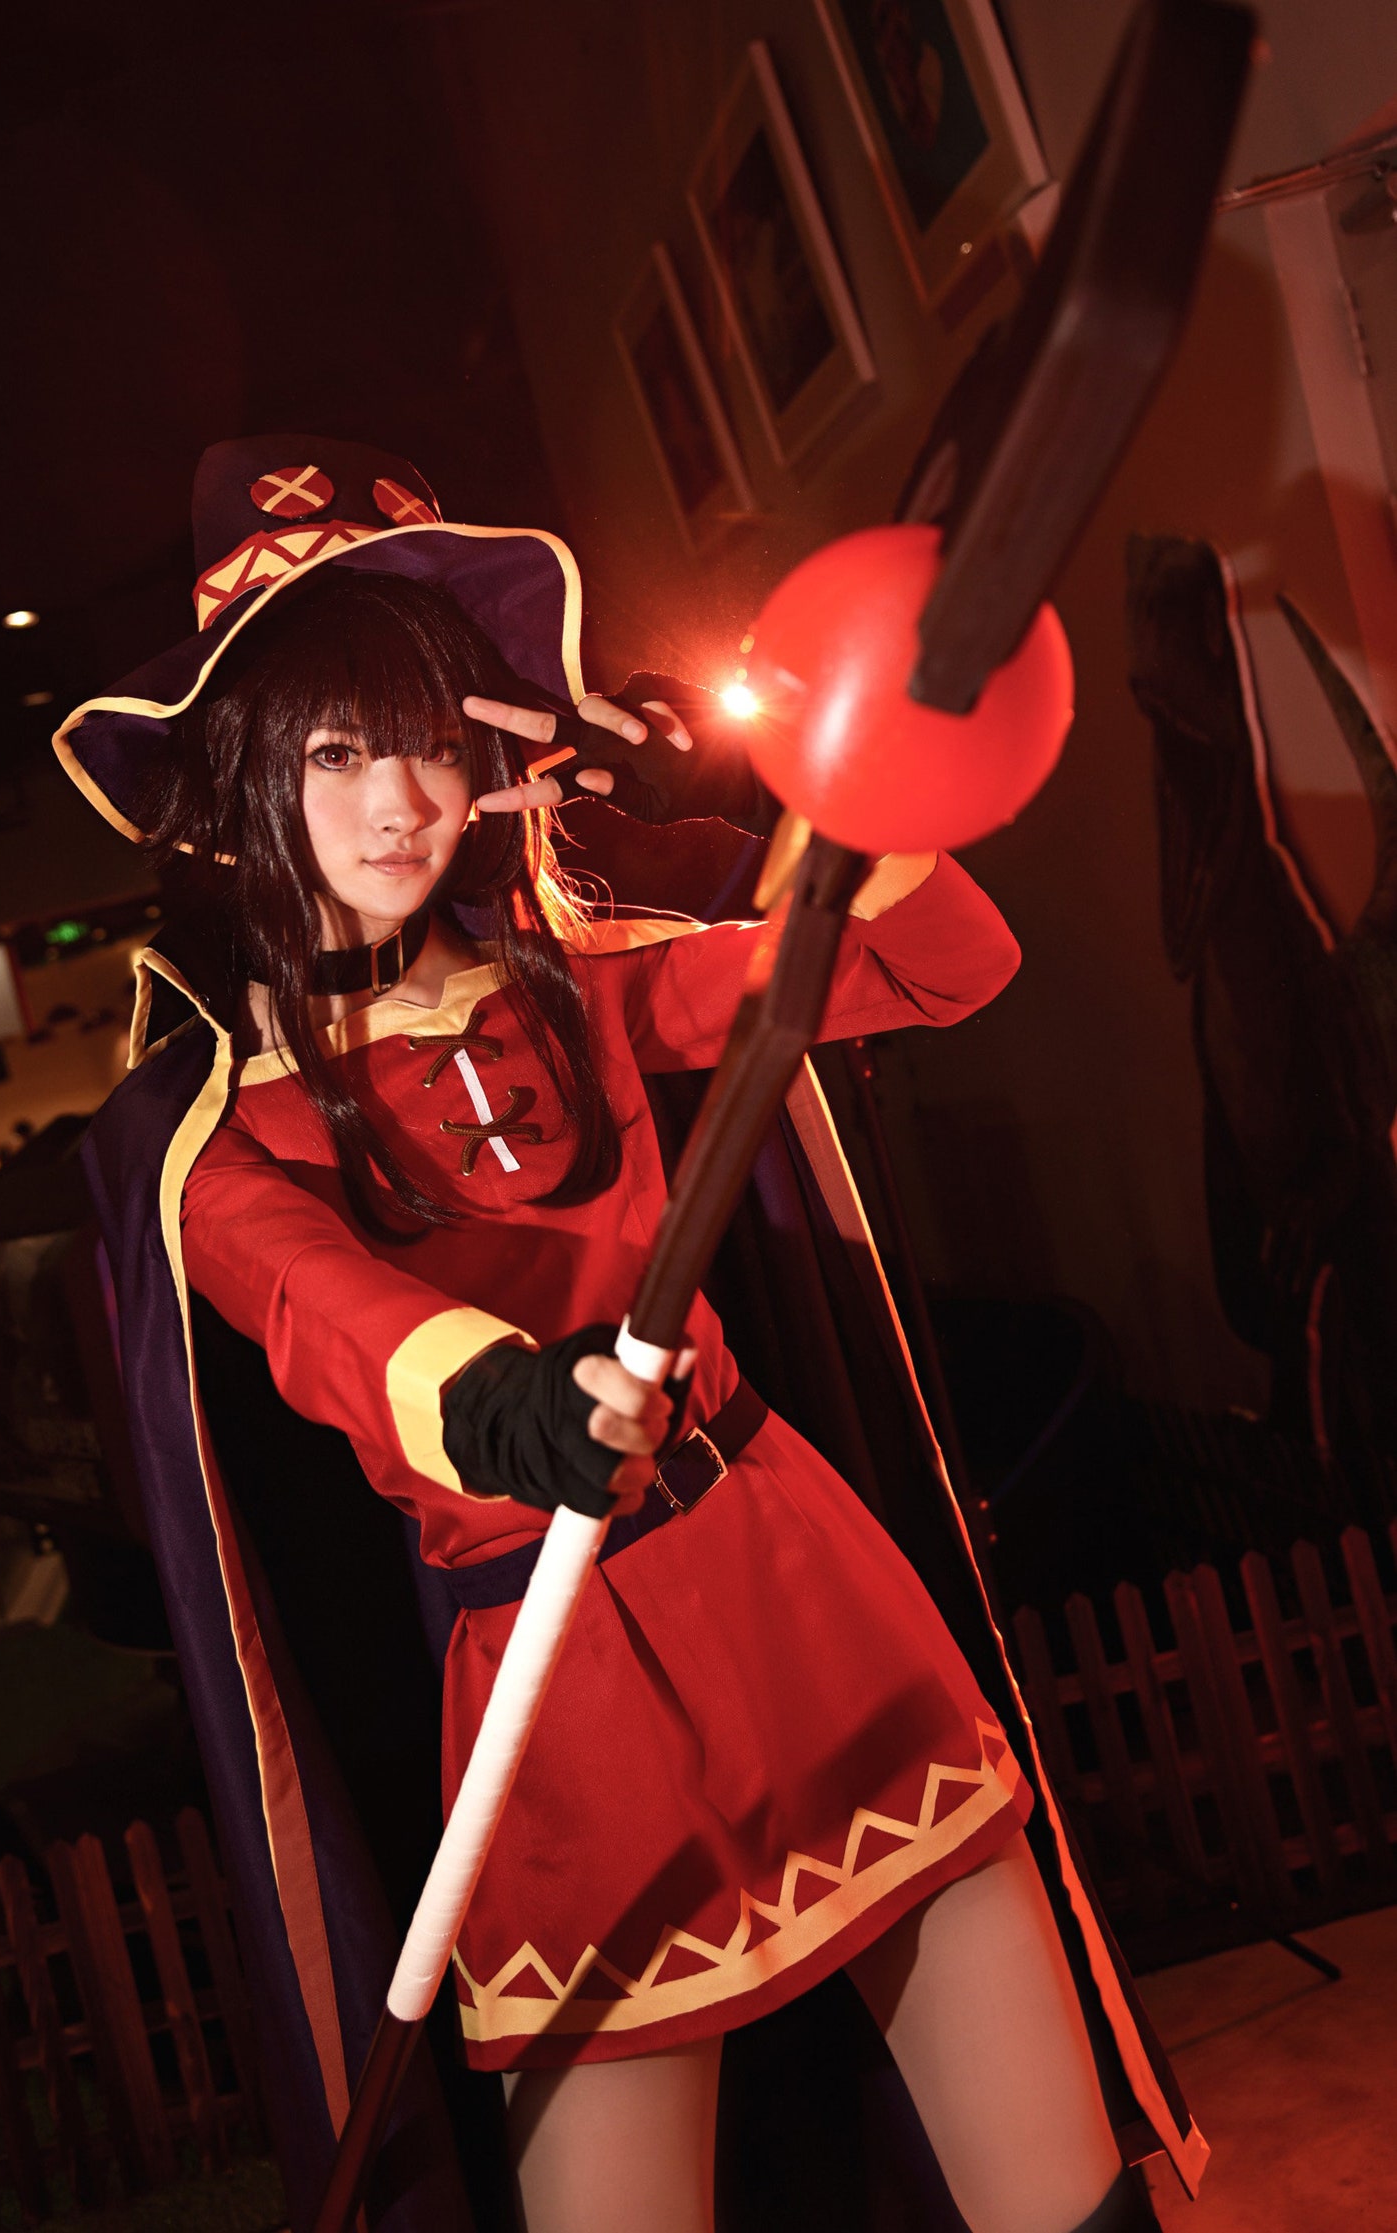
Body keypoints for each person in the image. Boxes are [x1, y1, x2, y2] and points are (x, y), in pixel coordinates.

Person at [60, 438, 1201, 2233]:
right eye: (335, 752)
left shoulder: (581, 979)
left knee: (1064, 2197)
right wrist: (511, 1404)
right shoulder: (214, 1136)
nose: (397, 801)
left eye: (429, 740)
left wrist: (801, 793)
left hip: (794, 1576)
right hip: (555, 1681)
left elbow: (936, 964)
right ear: (231, 790)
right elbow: (325, 1315)